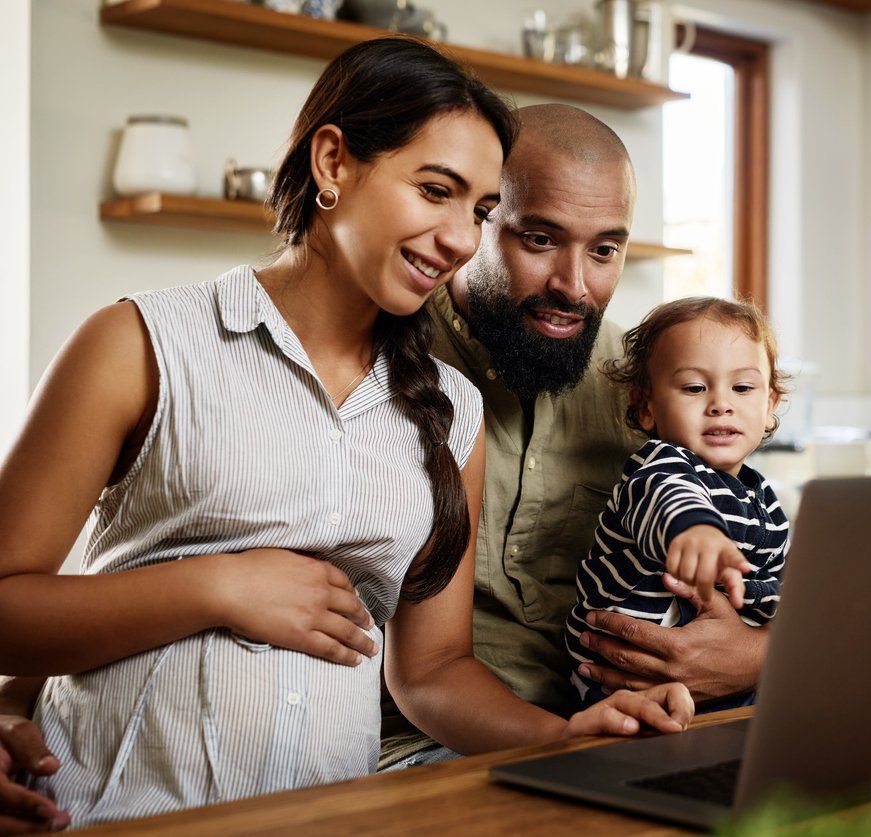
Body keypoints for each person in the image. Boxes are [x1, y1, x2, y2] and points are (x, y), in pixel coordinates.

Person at [0, 39, 690, 830]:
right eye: (436, 190)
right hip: (113, 812)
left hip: (333, 818)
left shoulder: (450, 412)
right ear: (333, 163)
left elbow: (431, 671)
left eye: (480, 211)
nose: (462, 239)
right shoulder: (138, 344)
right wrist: (218, 585)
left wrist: (562, 738)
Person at [381, 105, 775, 767]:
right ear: (478, 221)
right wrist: (573, 739)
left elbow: (757, 559)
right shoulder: (389, 371)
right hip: (436, 744)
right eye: (538, 239)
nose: (575, 286)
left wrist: (751, 658)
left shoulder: (651, 385)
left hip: (637, 730)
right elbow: (423, 671)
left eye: (604, 249)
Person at [564, 298, 790, 709]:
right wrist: (697, 531)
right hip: (622, 687)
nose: (721, 403)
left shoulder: (765, 503)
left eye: (742, 388)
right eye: (694, 388)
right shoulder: (658, 466)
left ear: (770, 406)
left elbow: (779, 586)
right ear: (646, 408)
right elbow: (669, 499)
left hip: (729, 684)